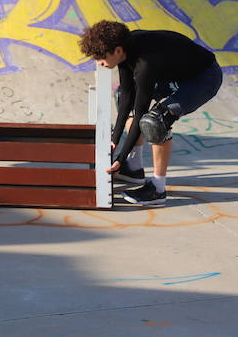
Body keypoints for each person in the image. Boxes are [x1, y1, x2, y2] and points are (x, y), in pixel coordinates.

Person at [78, 20, 224, 203]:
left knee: (155, 122)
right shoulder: (125, 48)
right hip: (173, 74)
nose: (99, 63)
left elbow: (140, 115)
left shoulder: (145, 64)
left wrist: (119, 159)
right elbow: (126, 100)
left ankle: (157, 188)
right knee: (121, 95)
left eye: (101, 58)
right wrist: (113, 141)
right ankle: (133, 168)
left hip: (203, 78)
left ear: (117, 51)